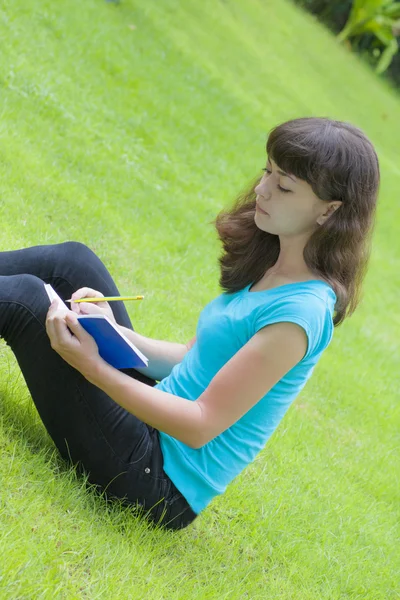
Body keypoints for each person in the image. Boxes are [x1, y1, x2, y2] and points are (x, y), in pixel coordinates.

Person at [0, 117, 379, 531]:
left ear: (329, 210)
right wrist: (112, 330)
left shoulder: (300, 314)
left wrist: (93, 366)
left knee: (29, 301)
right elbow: (189, 358)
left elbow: (200, 424)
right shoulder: (273, 264)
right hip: (151, 422)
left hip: (154, 479)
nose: (261, 189)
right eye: (267, 171)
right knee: (73, 263)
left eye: (284, 186)